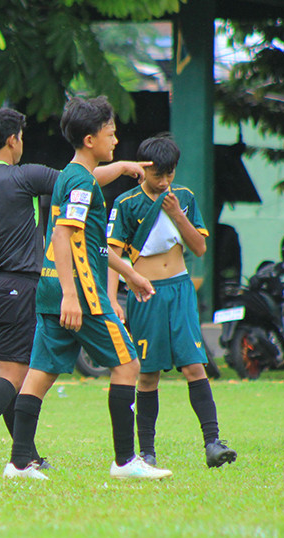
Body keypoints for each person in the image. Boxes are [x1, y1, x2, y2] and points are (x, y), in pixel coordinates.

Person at [0, 107, 148, 472]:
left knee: (19, 374)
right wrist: (120, 168)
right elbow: (78, 180)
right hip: (20, 285)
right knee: (14, 377)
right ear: (12, 140)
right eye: (20, 138)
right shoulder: (25, 176)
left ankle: (26, 456)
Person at [6, 95, 168, 480]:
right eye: (111, 134)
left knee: (40, 374)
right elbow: (64, 236)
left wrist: (128, 273)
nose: (116, 141)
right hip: (82, 293)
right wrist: (72, 295)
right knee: (128, 364)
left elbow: (90, 230)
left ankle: (17, 464)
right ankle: (126, 462)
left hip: (51, 290)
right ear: (91, 139)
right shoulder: (79, 183)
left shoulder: (72, 175)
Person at [107, 133, 237, 469]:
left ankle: (213, 443)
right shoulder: (126, 204)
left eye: (169, 174)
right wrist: (111, 299)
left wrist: (178, 214)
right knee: (148, 374)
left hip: (180, 290)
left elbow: (199, 248)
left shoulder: (184, 198)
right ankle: (147, 452)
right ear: (142, 170)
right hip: (144, 293)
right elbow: (112, 253)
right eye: (156, 175)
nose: (163, 182)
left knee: (195, 366)